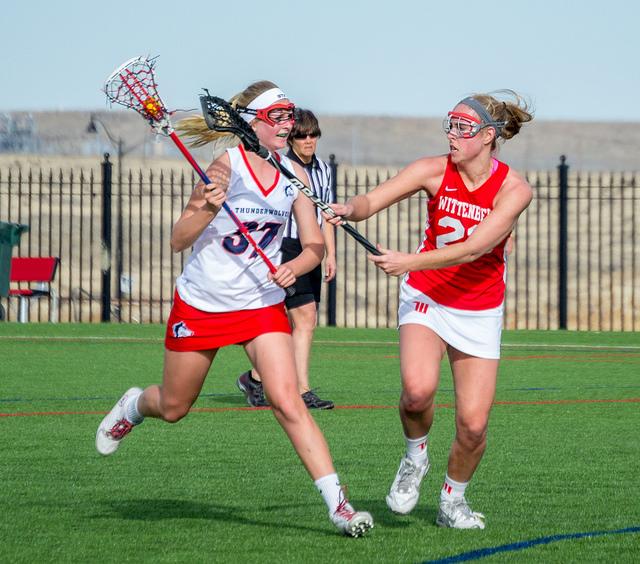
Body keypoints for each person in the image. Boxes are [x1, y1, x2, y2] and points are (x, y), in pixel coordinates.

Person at [95, 81, 373, 537]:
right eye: (277, 117)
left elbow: (315, 244)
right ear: (251, 123)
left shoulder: (292, 177)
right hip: (203, 302)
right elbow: (177, 240)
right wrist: (204, 209)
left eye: (290, 116)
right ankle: (133, 406)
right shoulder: (226, 166)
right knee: (173, 407)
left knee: (288, 402)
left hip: (260, 305)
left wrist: (295, 266)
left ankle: (339, 507)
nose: (288, 125)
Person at [328, 90, 533, 529]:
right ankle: (414, 456)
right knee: (418, 391)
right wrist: (349, 209)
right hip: (427, 295)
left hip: (478, 308)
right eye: (451, 125)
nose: (453, 135)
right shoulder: (431, 169)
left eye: (464, 128)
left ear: (490, 137)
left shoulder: (515, 189)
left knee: (474, 426)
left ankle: (451, 501)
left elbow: (475, 248)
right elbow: (370, 202)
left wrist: (407, 261)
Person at [237, 108, 336, 410]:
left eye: (313, 134)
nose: (308, 140)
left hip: (311, 248)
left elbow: (326, 215)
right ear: (291, 138)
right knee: (292, 317)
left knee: (306, 319)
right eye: (301, 135)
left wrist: (330, 253)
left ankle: (256, 379)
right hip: (285, 248)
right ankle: (298, 389)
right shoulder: (282, 166)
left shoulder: (322, 169)